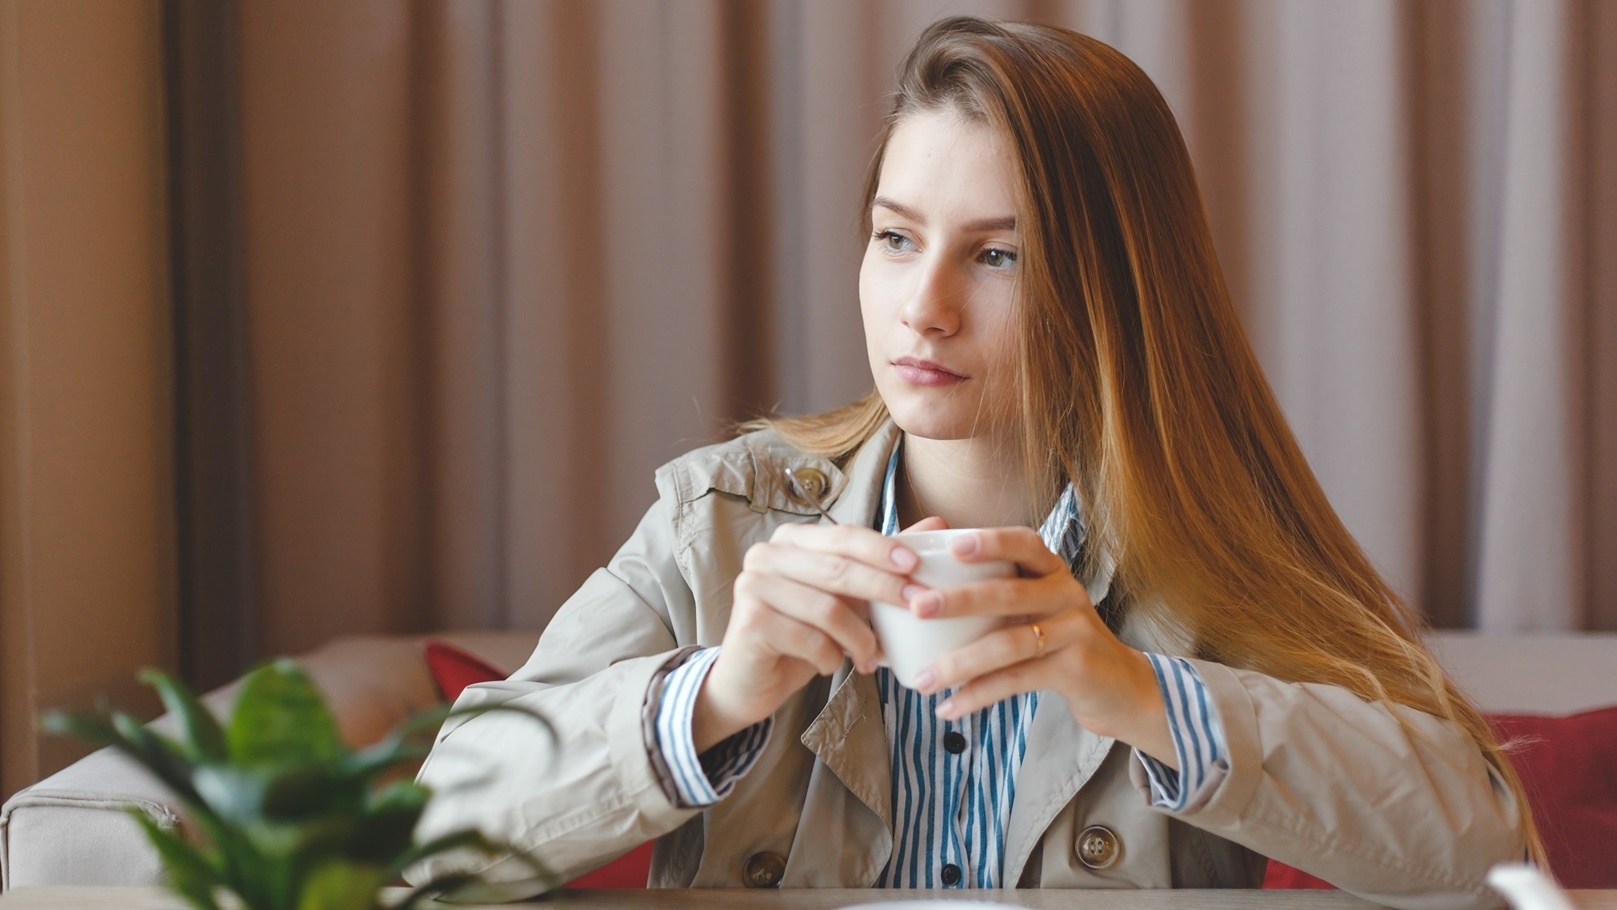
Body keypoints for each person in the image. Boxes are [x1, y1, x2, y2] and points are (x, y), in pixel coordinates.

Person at [409, 16, 1536, 907]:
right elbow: (420, 847)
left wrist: (1137, 691)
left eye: (998, 255)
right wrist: (716, 694)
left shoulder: (1215, 544)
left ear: (1115, 297)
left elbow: (1485, 847)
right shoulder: (722, 522)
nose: (924, 308)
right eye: (897, 238)